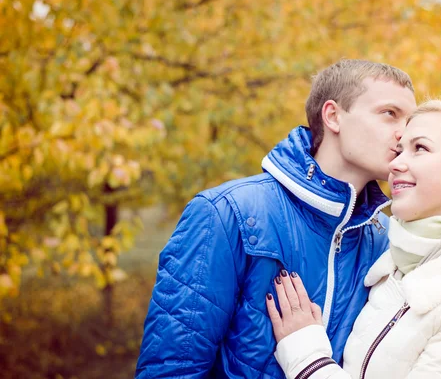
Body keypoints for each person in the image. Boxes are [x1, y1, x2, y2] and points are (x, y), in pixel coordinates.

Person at [135, 59, 417, 378]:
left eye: (411, 121)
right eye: (390, 114)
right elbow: (173, 368)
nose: (405, 135)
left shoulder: (385, 238)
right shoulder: (229, 212)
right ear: (333, 116)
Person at [267, 100, 441, 379]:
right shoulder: (394, 264)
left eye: (420, 148)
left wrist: (307, 358)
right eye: (400, 149)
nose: (396, 163)